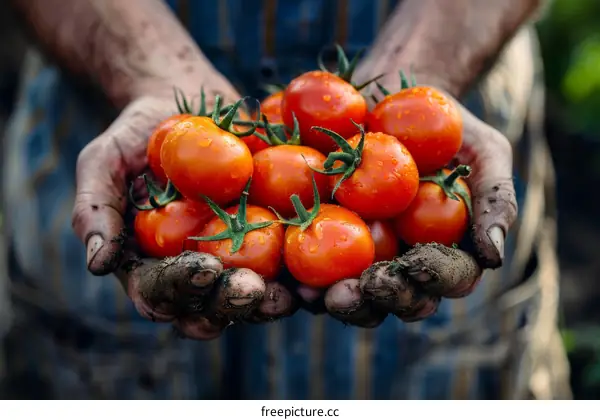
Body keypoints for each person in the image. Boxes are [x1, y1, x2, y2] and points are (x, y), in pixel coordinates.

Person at [1, 0, 571, 399]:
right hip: (95, 131)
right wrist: (147, 74)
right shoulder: (245, 181)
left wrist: (428, 67)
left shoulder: (349, 170)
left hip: (461, 79)